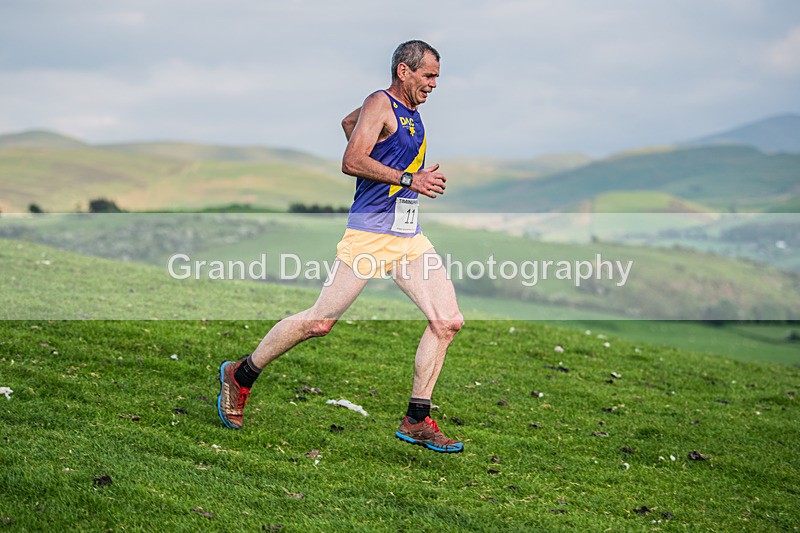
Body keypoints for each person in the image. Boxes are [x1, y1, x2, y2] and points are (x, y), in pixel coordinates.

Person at [217, 40, 464, 453]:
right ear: (404, 71)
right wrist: (408, 178)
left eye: (437, 76)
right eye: (429, 75)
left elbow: (349, 122)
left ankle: (417, 419)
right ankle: (240, 375)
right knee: (319, 322)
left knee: (447, 321)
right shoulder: (380, 102)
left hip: (407, 236)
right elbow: (351, 160)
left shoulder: (409, 113)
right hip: (369, 234)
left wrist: (383, 158)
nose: (435, 83)